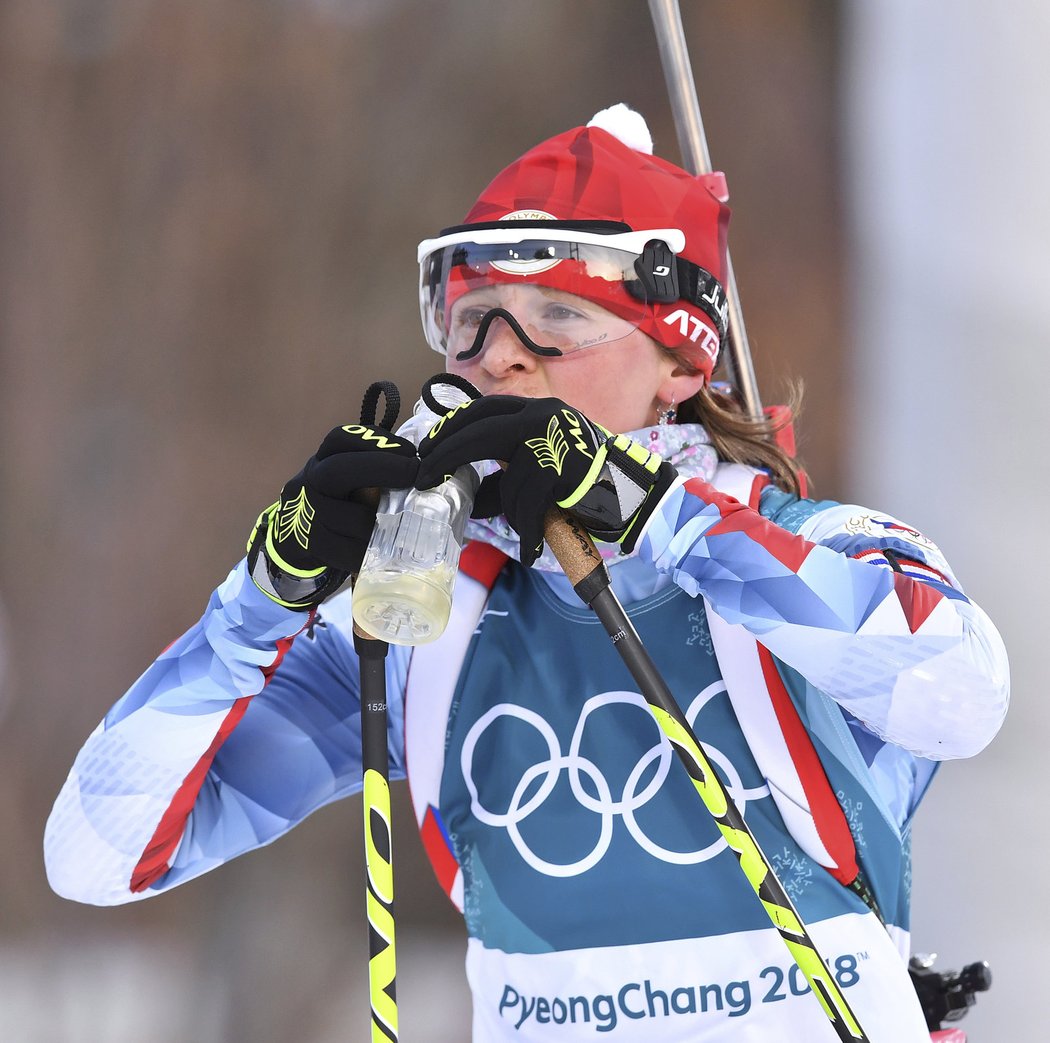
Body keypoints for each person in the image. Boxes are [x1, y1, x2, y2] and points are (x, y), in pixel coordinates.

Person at [45, 104, 1009, 1041]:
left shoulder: (809, 549)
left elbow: (961, 693)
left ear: (681, 359)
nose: (501, 358)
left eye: (557, 316)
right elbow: (98, 851)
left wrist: (647, 509)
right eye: (474, 323)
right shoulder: (430, 626)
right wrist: (260, 601)